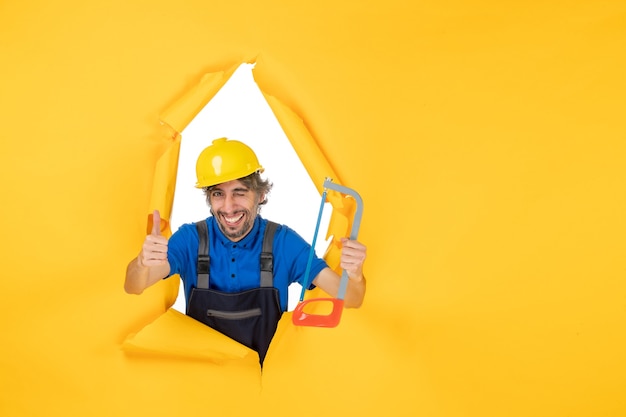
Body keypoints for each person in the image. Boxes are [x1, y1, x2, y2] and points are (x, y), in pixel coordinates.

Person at [124, 137, 366, 365]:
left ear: (260, 195)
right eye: (218, 194)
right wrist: (142, 263)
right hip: (201, 384)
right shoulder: (190, 240)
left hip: (263, 389)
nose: (228, 207)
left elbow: (351, 298)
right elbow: (134, 286)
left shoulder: (283, 243)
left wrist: (355, 275)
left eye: (239, 192)